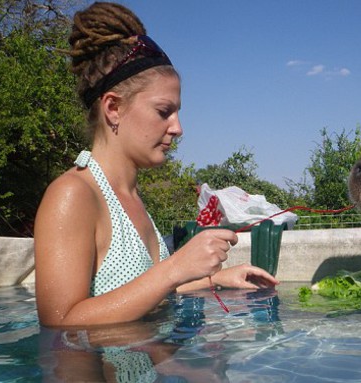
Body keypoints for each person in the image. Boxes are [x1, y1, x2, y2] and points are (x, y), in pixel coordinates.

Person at [34, 1, 278, 327]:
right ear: (114, 109)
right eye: (164, 111)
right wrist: (175, 268)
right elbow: (59, 321)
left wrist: (215, 279)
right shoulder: (72, 195)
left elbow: (137, 292)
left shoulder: (131, 198)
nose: (178, 128)